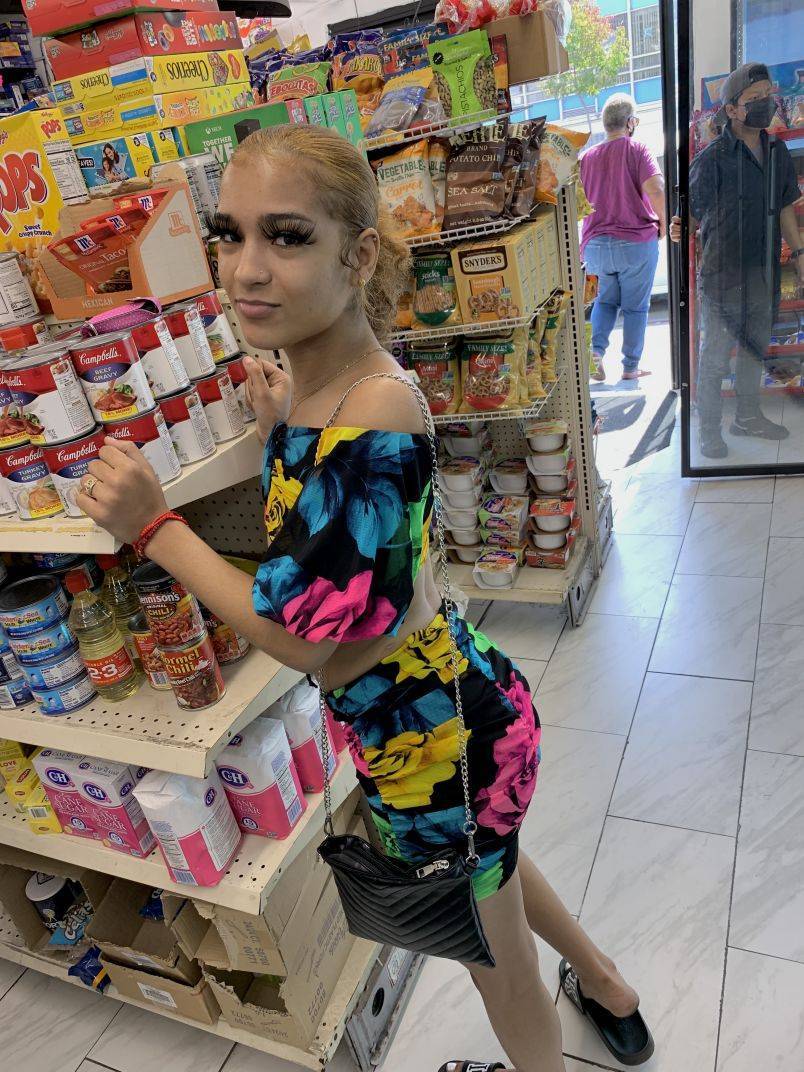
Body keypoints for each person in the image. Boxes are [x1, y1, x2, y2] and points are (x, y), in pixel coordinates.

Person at [76, 125, 653, 1072]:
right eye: (230, 233)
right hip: (441, 723)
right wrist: (280, 429)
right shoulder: (329, 393)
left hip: (435, 740)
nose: (245, 268)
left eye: (287, 236)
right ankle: (607, 982)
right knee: (489, 864)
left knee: (497, 963)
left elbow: (304, 639)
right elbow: (331, 542)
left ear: (359, 255)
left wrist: (156, 528)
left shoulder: (371, 410)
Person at [670, 62, 803, 459]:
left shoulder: (778, 151)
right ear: (731, 109)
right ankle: (709, 430)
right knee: (714, 356)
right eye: (754, 98)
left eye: (768, 95)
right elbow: (687, 219)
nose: (766, 103)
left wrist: (799, 254)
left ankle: (747, 417)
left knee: (753, 350)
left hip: (764, 272)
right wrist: (678, 228)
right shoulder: (711, 160)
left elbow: (785, 207)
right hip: (722, 276)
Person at [579, 93, 666, 384]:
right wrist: (664, 223)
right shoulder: (637, 149)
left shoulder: (586, 158)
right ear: (630, 122)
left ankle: (595, 353)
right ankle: (630, 367)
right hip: (635, 242)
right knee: (635, 307)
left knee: (604, 302)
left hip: (595, 246)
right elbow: (656, 189)